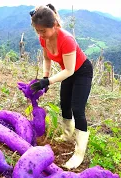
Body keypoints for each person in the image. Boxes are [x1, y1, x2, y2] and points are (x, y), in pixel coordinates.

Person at [29, 4, 93, 169]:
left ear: (55, 25)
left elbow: (70, 69)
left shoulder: (66, 39)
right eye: (37, 31)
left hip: (82, 71)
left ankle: (79, 153)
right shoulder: (43, 38)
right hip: (68, 72)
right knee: (64, 104)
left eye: (43, 30)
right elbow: (47, 59)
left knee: (77, 109)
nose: (40, 34)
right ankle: (66, 134)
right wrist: (44, 76)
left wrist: (48, 81)